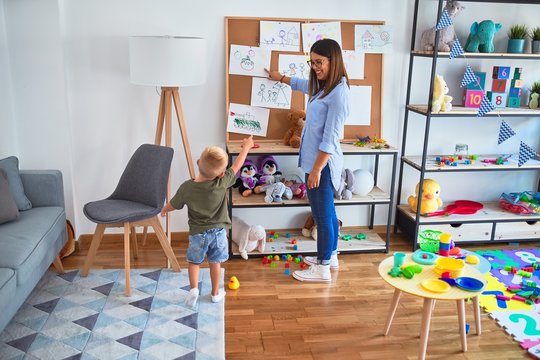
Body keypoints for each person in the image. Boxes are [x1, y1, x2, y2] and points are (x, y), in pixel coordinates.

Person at [265, 38, 349, 282]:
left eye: (319, 62)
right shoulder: (326, 86)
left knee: (321, 216)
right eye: (312, 62)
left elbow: (331, 139)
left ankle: (322, 269)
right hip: (315, 162)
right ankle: (331, 257)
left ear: (333, 60)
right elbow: (304, 85)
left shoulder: (338, 94)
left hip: (321, 165)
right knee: (328, 213)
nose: (315, 67)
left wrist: (316, 170)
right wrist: (280, 77)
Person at [161, 135, 255, 307]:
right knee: (215, 263)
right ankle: (214, 293)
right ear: (221, 173)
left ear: (198, 162)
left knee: (194, 262)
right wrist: (246, 147)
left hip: (197, 234)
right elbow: (238, 165)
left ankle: (194, 289)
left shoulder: (187, 188)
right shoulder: (221, 182)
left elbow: (174, 204)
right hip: (218, 234)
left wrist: (165, 210)